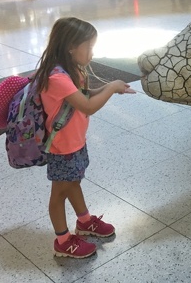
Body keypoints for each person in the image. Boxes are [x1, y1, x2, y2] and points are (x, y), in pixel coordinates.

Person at [32, 17, 135, 258]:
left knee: (73, 182)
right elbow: (87, 106)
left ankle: (85, 221)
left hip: (75, 142)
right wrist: (111, 88)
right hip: (61, 147)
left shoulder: (70, 70)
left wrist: (112, 86)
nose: (92, 52)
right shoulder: (56, 78)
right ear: (70, 46)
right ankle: (62, 240)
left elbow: (85, 95)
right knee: (59, 192)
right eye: (89, 46)